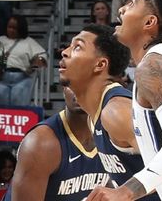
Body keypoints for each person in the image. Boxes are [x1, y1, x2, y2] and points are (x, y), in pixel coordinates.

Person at [86, 0, 162, 201]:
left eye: (133, 2)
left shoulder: (154, 66)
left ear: (149, 22)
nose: (122, 10)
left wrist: (126, 191)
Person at [58, 24, 156, 196]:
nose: (65, 52)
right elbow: (127, 171)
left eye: (77, 47)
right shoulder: (93, 115)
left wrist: (125, 193)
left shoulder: (116, 112)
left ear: (100, 64)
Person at [5, 85, 108, 200]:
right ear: (64, 89)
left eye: (87, 83)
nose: (79, 90)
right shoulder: (41, 143)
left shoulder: (114, 134)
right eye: (72, 83)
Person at [0, 15, 47, 106]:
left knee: (19, 110)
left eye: (14, 28)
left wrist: (35, 63)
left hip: (21, 79)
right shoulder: (1, 40)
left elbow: (42, 55)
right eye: (9, 27)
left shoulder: (28, 42)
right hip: (1, 78)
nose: (11, 30)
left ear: (21, 29)